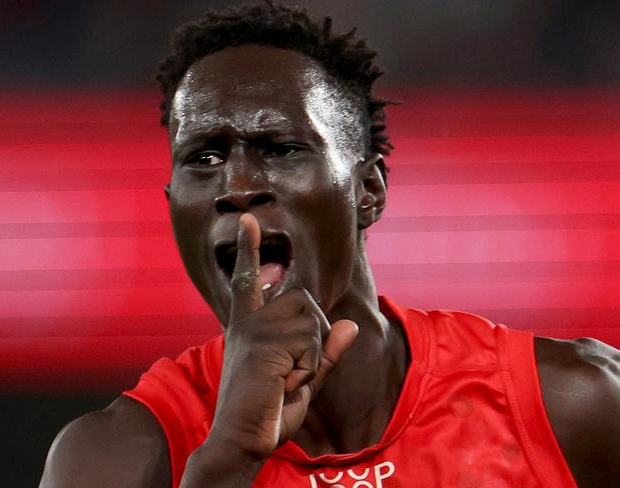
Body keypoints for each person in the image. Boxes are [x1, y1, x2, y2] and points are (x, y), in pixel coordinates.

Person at [39, 2, 620, 487]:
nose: (237, 187)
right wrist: (228, 459)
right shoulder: (115, 458)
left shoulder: (573, 405)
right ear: (173, 210)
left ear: (368, 190)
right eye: (204, 159)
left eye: (282, 149)